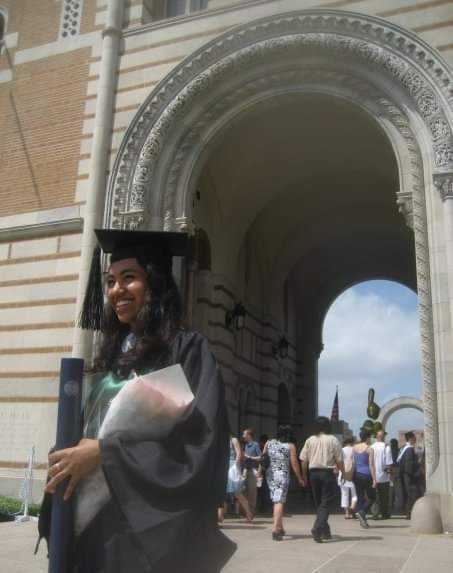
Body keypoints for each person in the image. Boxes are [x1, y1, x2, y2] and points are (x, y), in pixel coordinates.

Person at [43, 229, 235, 572]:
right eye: (111, 281)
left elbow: (202, 444)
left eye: (129, 278)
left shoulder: (187, 350)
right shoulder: (111, 357)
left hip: (143, 533)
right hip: (91, 527)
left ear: (155, 284)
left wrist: (104, 454)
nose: (117, 290)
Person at [300, 416, 344, 543]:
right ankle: (317, 528)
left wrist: (304, 475)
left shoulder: (310, 440)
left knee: (320, 504)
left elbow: (303, 460)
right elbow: (339, 460)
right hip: (327, 473)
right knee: (325, 503)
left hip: (313, 473)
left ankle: (326, 531)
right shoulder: (333, 440)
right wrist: (343, 472)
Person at [263, 425, 304, 541]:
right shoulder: (290, 446)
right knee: (279, 501)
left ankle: (280, 527)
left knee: (276, 501)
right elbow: (294, 463)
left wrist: (260, 472)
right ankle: (275, 529)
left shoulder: (268, 443)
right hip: (282, 475)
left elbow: (264, 458)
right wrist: (299, 477)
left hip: (270, 475)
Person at [218, 436, 253, 523]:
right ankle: (220, 516)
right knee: (221, 493)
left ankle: (249, 514)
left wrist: (235, 467)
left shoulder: (233, 440)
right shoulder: (219, 439)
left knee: (237, 493)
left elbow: (239, 454)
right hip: (222, 467)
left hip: (232, 466)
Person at [353, 429, 376, 529]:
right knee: (372, 497)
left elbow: (353, 463)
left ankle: (362, 519)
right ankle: (363, 512)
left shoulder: (354, 448)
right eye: (370, 437)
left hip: (357, 475)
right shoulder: (369, 449)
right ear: (367, 438)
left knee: (360, 497)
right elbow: (371, 465)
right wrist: (375, 479)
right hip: (367, 475)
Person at [397, 431, 423, 519]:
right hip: (410, 477)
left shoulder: (404, 448)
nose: (416, 439)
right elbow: (409, 465)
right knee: (412, 494)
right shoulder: (409, 449)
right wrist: (417, 472)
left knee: (409, 494)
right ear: (411, 439)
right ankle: (410, 512)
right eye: (414, 437)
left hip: (406, 476)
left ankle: (409, 512)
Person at [370, 430, 393, 519]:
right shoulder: (386, 447)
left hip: (373, 476)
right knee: (384, 497)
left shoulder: (371, 447)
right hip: (384, 476)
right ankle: (384, 514)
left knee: (374, 496)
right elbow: (389, 462)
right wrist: (391, 474)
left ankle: (375, 514)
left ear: (376, 437)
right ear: (383, 437)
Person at [242, 428, 262, 516]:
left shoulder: (255, 445)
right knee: (245, 492)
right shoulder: (245, 445)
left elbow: (260, 457)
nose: (243, 436)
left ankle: (251, 512)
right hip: (246, 470)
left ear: (249, 436)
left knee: (252, 493)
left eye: (244, 434)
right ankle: (246, 512)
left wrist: (249, 457)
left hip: (253, 471)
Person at [338, 436, 357, 519]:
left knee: (344, 495)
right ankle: (352, 509)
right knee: (354, 495)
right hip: (352, 474)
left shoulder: (341, 450)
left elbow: (338, 462)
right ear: (352, 442)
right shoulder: (354, 450)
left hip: (342, 475)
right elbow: (354, 462)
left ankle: (346, 513)